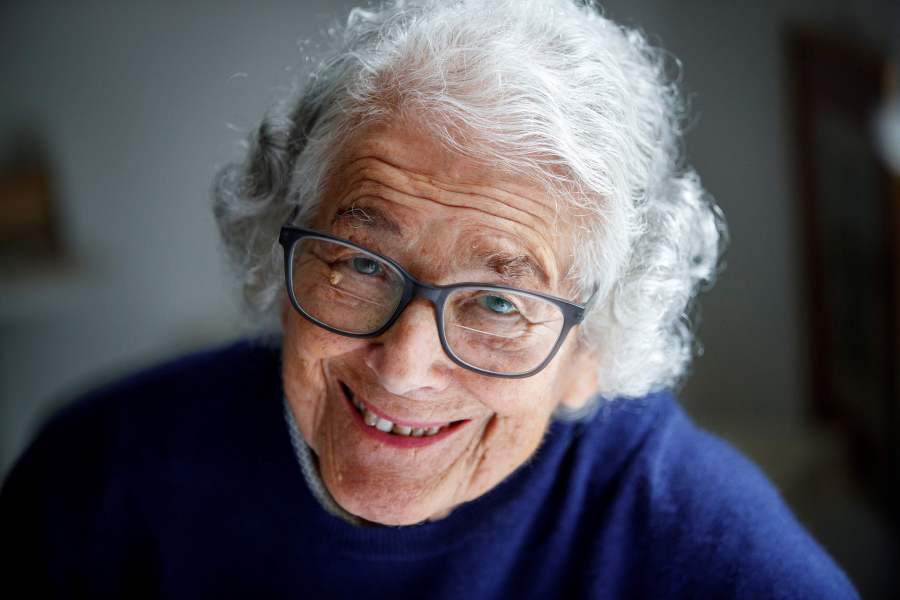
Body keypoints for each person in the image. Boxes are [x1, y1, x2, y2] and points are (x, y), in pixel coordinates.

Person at [1, 0, 858, 597]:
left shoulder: (709, 551)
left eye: (496, 304)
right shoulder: (99, 476)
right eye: (362, 263)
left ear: (589, 351)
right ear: (282, 241)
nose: (404, 368)